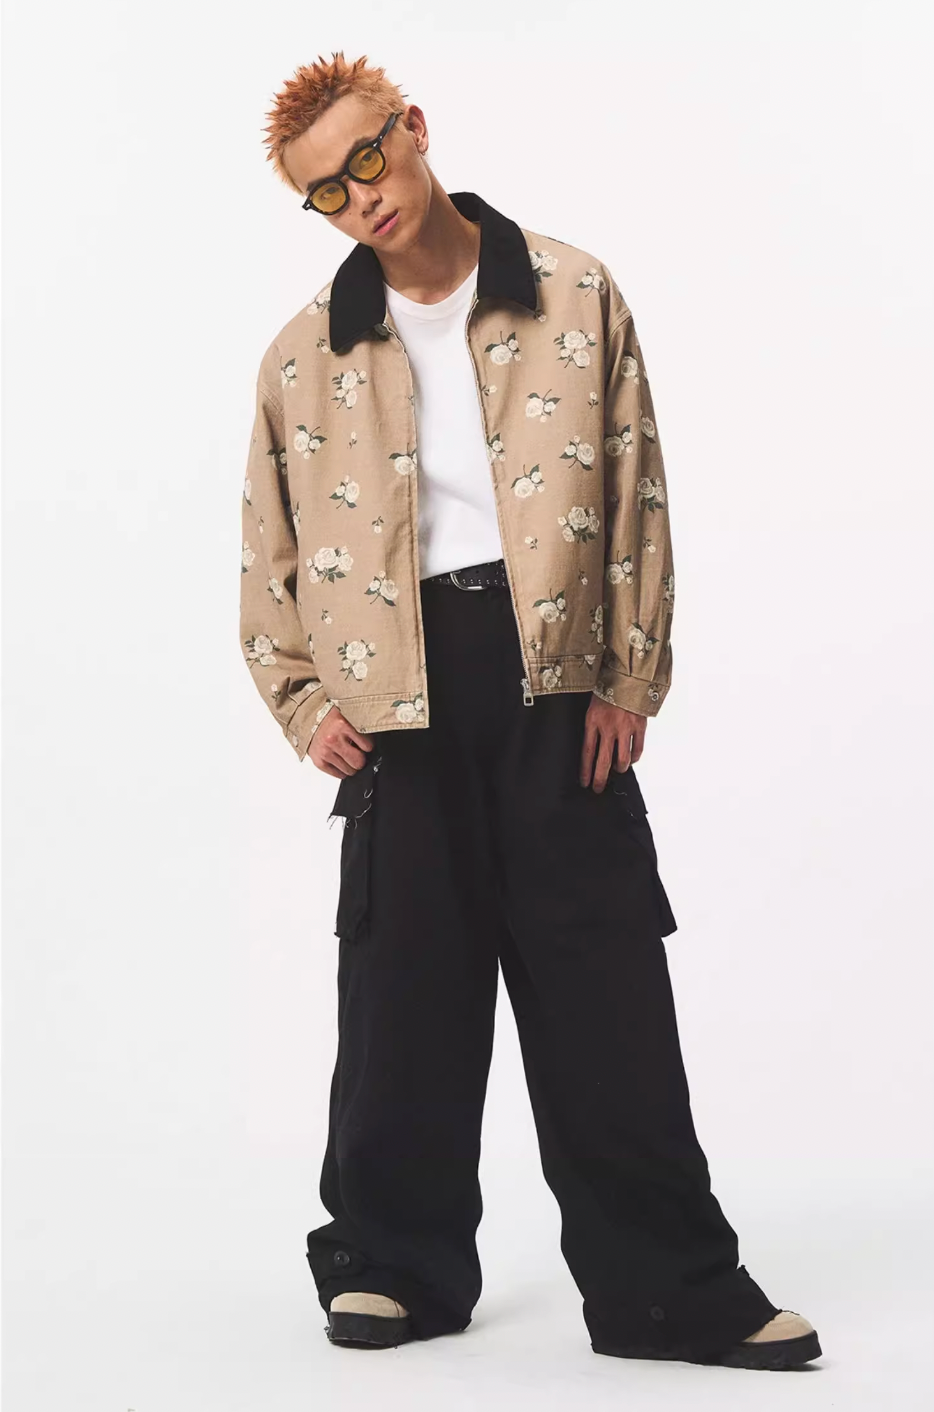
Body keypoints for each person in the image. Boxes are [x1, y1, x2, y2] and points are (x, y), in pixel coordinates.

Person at [239, 50, 822, 1370]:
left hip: (550, 671)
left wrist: (627, 673)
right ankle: (392, 1267)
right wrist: (301, 697)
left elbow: (635, 484)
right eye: (326, 192)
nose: (361, 198)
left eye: (368, 159)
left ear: (413, 129)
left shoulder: (572, 291)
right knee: (402, 993)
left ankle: (667, 1288)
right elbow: (268, 543)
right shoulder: (302, 356)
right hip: (396, 690)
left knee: (601, 979)